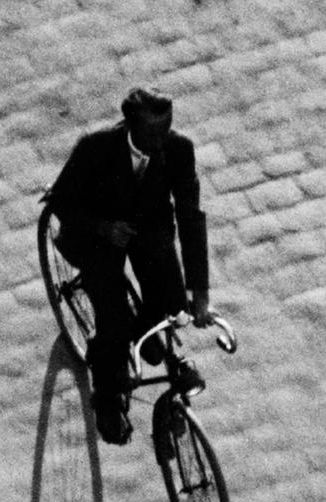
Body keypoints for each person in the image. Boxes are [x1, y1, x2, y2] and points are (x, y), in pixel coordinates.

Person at [47, 87, 213, 448]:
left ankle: (147, 336)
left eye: (166, 130)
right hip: (98, 235)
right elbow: (61, 202)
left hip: (148, 229)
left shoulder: (178, 149)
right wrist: (104, 228)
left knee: (171, 305)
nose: (160, 141)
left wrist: (199, 294)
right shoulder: (95, 147)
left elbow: (190, 217)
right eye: (152, 134)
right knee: (113, 320)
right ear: (130, 124)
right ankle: (107, 398)